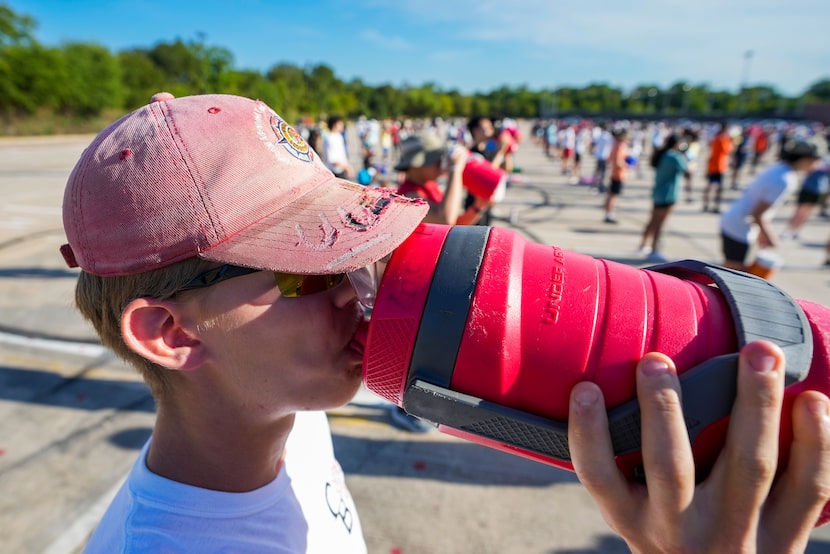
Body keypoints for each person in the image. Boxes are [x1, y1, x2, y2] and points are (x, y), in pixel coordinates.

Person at [60, 93, 830, 553]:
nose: (359, 290)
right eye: (308, 271)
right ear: (171, 333)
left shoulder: (289, 415)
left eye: (357, 252)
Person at [720, 140, 821, 272]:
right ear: (805, 159)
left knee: (732, 270)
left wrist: (761, 233)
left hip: (736, 222)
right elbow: (757, 214)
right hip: (739, 227)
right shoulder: (784, 180)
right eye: (814, 160)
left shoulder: (779, 169)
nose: (816, 165)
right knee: (732, 271)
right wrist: (769, 237)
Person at [395, 131, 488, 226]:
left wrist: (477, 207)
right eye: (436, 160)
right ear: (417, 164)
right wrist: (455, 170)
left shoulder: (430, 185)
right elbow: (445, 219)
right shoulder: (408, 197)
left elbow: (454, 225)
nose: (440, 163)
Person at [638, 133, 690, 261]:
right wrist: (684, 153)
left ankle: (643, 245)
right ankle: (654, 249)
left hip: (658, 192)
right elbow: (686, 169)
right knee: (660, 223)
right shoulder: (674, 157)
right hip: (668, 194)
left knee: (652, 221)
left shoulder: (663, 154)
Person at [781, 158, 829, 240]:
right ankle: (788, 230)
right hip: (808, 188)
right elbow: (808, 169)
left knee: (807, 212)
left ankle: (796, 231)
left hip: (819, 190)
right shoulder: (821, 159)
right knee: (799, 211)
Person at [702, 123, 734, 213]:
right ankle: (715, 206)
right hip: (719, 166)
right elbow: (727, 150)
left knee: (709, 186)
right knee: (718, 187)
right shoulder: (723, 139)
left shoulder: (715, 138)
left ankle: (706, 204)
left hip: (713, 165)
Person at [603, 127, 629, 224]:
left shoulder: (615, 145)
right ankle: (609, 214)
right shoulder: (620, 146)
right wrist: (627, 165)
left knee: (611, 195)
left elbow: (610, 159)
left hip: (615, 173)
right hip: (618, 174)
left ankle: (608, 213)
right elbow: (618, 162)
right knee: (614, 196)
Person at [323, 115, 354, 179]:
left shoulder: (338, 136)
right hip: (334, 172)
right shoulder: (329, 138)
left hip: (341, 169)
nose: (342, 125)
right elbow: (332, 160)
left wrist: (347, 165)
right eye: (340, 124)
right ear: (335, 125)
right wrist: (347, 167)